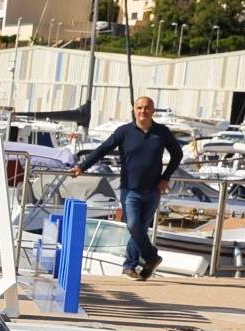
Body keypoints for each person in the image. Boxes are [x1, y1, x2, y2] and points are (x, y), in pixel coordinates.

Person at [72, 95, 184, 280]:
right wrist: (82, 167)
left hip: (153, 190)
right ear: (134, 110)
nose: (143, 111)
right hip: (130, 189)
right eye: (139, 108)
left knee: (139, 228)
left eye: (147, 108)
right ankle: (151, 257)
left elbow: (177, 155)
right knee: (133, 225)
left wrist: (165, 177)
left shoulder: (162, 132)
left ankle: (130, 266)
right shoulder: (124, 132)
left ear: (153, 111)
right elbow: (102, 149)